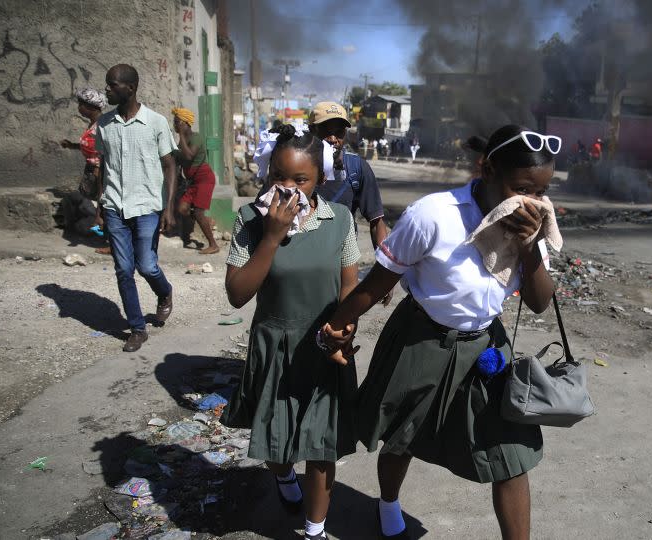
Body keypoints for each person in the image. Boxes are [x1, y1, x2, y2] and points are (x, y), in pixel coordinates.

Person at [319, 124, 559, 539]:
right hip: (422, 340)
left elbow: (539, 302)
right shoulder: (433, 215)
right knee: (401, 437)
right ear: (487, 170)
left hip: (486, 346)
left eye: (540, 191)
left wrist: (529, 247)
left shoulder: (529, 228)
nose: (532, 202)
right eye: (522, 188)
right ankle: (388, 502)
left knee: (511, 455)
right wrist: (337, 325)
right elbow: (379, 283)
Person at [221, 124, 359, 540]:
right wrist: (273, 236)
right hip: (274, 344)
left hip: (323, 347)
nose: (288, 188)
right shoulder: (250, 219)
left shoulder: (339, 220)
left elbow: (349, 285)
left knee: (320, 449)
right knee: (276, 441)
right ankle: (282, 477)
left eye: (300, 179)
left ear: (319, 179)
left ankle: (314, 530)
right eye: (278, 177)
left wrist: (344, 330)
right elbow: (237, 295)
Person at [96, 64, 177, 352]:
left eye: (112, 85)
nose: (107, 89)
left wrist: (168, 209)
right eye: (107, 84)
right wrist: (100, 205)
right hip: (115, 206)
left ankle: (164, 292)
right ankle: (137, 329)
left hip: (147, 207)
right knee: (123, 269)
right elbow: (103, 168)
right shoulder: (104, 125)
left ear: (130, 88)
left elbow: (170, 166)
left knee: (146, 265)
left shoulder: (155, 122)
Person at [309, 102, 391, 305]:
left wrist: (385, 274)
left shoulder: (357, 168)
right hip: (302, 259)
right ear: (312, 131)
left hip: (341, 263)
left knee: (339, 321)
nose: (333, 139)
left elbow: (376, 222)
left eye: (339, 133)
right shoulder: (295, 167)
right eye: (326, 132)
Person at [61, 87, 110, 253]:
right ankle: (99, 231)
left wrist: (98, 171)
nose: (79, 108)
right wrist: (73, 145)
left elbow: (103, 152)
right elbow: (91, 146)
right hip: (92, 170)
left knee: (104, 205)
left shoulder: (101, 126)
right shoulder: (94, 124)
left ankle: (111, 243)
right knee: (89, 202)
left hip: (98, 171)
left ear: (91, 106)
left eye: (81, 104)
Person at [171, 107, 219, 254]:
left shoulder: (196, 137)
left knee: (198, 212)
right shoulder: (182, 142)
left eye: (177, 122)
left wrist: (181, 137)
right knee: (182, 208)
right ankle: (206, 221)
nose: (175, 125)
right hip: (193, 181)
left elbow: (189, 155)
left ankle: (213, 245)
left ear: (185, 123)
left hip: (204, 178)